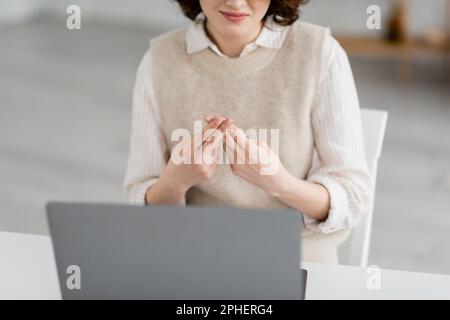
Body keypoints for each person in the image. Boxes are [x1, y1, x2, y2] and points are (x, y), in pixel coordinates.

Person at [124, 0, 371, 264]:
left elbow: (353, 197)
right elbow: (140, 201)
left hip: (296, 260)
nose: (235, 2)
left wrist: (278, 183)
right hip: (194, 259)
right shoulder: (159, 59)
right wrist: (176, 181)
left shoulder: (319, 53)